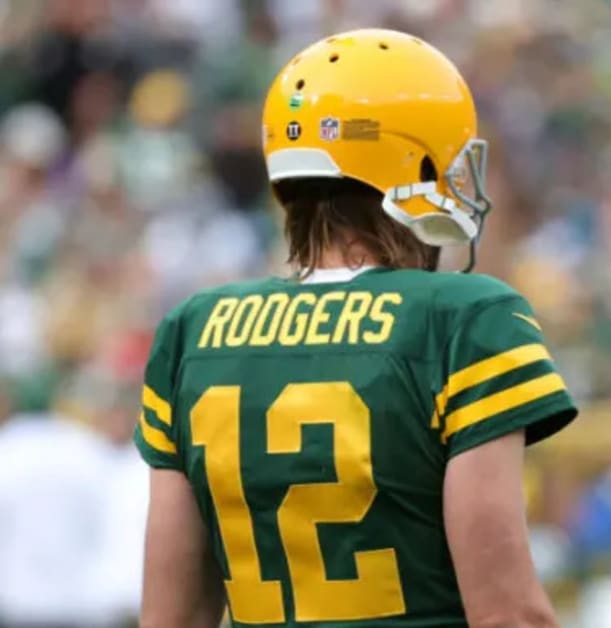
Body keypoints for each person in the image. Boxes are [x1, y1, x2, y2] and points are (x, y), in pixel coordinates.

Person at [133, 29, 577, 628]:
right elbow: (508, 614)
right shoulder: (468, 317)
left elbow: (171, 619)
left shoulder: (192, 329)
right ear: (415, 160)